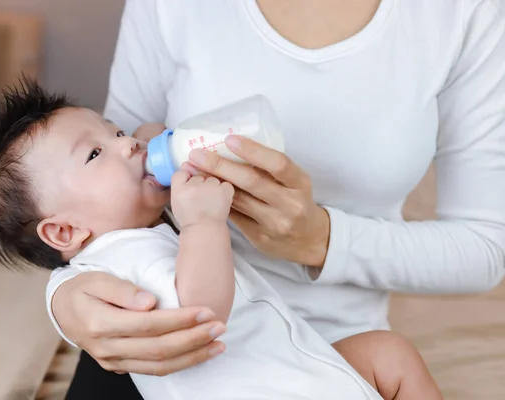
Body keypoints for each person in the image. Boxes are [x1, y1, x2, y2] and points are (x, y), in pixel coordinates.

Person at [50, 0, 505, 398]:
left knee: (393, 357)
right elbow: (79, 199)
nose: (130, 144)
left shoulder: (464, 14)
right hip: (173, 356)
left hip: (333, 346)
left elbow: (487, 247)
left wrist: (321, 240)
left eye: (123, 138)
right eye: (108, 143)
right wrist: (63, 299)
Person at [0, 81, 441, 399]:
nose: (127, 144)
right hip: (261, 388)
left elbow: (148, 129)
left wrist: (161, 140)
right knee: (388, 358)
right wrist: (204, 225)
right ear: (64, 231)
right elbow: (201, 313)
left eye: (114, 132)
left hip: (295, 366)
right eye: (94, 154)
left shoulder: (139, 229)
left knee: (387, 354)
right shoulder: (117, 264)